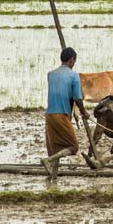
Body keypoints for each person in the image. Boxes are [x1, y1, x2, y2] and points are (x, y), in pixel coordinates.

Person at [42, 47, 89, 177]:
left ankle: (53, 176)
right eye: (74, 61)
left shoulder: (50, 74)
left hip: (49, 116)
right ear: (71, 60)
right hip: (61, 115)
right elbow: (77, 98)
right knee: (73, 147)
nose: (74, 64)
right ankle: (48, 161)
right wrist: (84, 112)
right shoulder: (74, 75)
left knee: (55, 148)